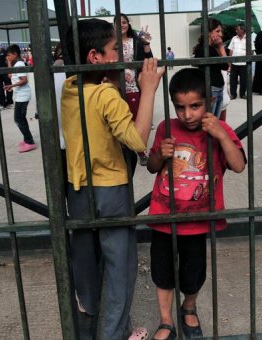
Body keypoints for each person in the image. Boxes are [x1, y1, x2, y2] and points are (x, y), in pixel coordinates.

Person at [61, 18, 164, 340]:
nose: (120, 53)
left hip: (77, 189)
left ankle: (89, 314)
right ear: (95, 57)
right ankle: (114, 333)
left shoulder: (70, 87)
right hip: (111, 188)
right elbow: (136, 140)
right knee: (121, 266)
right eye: (114, 49)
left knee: (85, 257)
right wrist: (147, 90)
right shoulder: (106, 95)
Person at [146, 67, 246, 340]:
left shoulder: (219, 129)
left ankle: (189, 306)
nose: (187, 114)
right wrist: (159, 154)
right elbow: (152, 167)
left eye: (195, 106)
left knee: (194, 271)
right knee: (162, 271)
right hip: (163, 216)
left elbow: (238, 166)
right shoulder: (167, 127)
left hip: (198, 219)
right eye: (180, 107)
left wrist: (221, 134)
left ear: (209, 102)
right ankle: (166, 321)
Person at [114, 13, 154, 170]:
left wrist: (146, 44)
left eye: (124, 22)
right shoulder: (111, 42)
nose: (122, 25)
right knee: (118, 117)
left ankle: (140, 151)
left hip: (133, 85)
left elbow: (149, 58)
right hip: (115, 85)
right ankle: (122, 149)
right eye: (118, 23)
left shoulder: (136, 41)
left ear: (128, 25)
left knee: (136, 117)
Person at [193, 18, 229, 118]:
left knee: (213, 121)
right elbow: (226, 66)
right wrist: (221, 47)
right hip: (213, 90)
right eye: (217, 31)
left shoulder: (207, 48)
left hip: (215, 89)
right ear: (208, 32)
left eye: (220, 31)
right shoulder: (208, 49)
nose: (220, 34)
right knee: (211, 122)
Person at [3, 45, 35, 153]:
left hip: (23, 96)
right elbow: (10, 75)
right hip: (19, 96)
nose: (8, 57)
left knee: (18, 119)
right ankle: (27, 139)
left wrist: (11, 86)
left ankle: (30, 142)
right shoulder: (15, 64)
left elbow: (24, 80)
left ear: (15, 54)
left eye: (9, 55)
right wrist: (8, 62)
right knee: (21, 118)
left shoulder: (20, 64)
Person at [228, 23, 254, 99]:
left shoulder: (249, 39)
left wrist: (248, 60)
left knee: (244, 80)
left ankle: (242, 94)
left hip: (244, 63)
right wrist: (229, 61)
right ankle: (233, 94)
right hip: (234, 63)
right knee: (233, 80)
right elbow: (231, 50)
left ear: (243, 30)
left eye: (238, 29)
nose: (236, 31)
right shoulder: (234, 38)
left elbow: (252, 51)